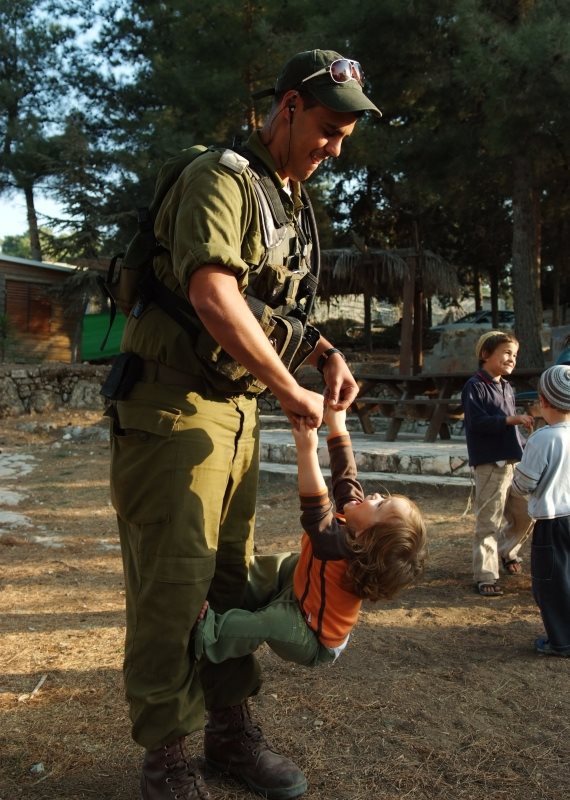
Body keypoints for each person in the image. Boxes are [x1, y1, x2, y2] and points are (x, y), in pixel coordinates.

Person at [105, 50, 382, 800]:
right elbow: (212, 295)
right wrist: (285, 381)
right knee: (173, 585)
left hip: (233, 413)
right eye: (328, 129)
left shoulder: (284, 196)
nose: (335, 148)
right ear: (288, 106)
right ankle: (166, 756)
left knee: (229, 580)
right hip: (170, 410)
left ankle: (230, 732)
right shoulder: (221, 178)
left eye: (346, 138)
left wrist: (322, 352)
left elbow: (272, 303)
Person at [193, 405, 427, 668]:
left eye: (380, 506)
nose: (375, 497)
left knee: (270, 622)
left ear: (364, 538)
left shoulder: (341, 547)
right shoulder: (355, 524)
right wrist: (337, 425)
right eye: (384, 497)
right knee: (287, 562)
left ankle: (207, 631)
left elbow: (316, 510)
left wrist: (306, 449)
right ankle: (235, 581)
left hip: (309, 635)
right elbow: (345, 479)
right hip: (301, 589)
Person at [461, 330, 534, 598]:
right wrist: (511, 420)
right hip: (490, 464)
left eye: (514, 354)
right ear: (484, 354)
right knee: (488, 520)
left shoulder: (507, 386)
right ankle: (485, 575)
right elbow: (476, 423)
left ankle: (507, 551)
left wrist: (527, 445)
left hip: (515, 462)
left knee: (527, 512)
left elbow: (510, 430)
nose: (511, 358)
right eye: (506, 352)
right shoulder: (475, 386)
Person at [511, 365, 570, 657]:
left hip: (552, 521)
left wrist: (516, 483)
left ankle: (560, 641)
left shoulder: (543, 438)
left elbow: (523, 484)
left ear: (543, 401)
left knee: (551, 582)